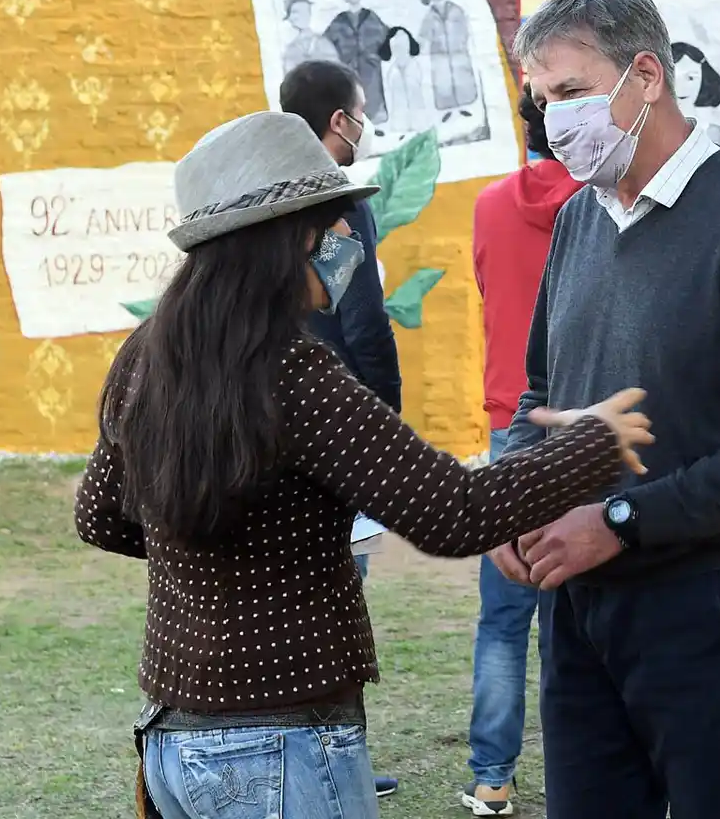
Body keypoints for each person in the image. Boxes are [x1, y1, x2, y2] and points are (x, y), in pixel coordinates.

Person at [75, 110, 654, 819]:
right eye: (336, 223)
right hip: (280, 749)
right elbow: (453, 512)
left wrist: (225, 549)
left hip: (173, 742)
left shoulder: (147, 355)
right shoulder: (294, 374)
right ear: (291, 240)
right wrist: (594, 442)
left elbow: (100, 515)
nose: (350, 239)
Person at [499, 0, 720, 819]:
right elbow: (541, 393)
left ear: (646, 74)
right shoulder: (578, 221)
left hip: (711, 600)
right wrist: (508, 496)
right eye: (541, 101)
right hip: (579, 604)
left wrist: (620, 522)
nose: (552, 121)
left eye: (571, 92)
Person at [279, 58, 402, 796]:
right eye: (359, 113)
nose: (363, 126)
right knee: (334, 603)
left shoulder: (262, 196)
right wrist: (384, 423)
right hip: (336, 422)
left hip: (266, 422)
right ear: (337, 122)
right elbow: (362, 320)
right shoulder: (337, 203)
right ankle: (335, 762)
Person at [463, 85, 582, 816]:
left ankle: (491, 778)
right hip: (587, 427)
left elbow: (488, 291)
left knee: (504, 619)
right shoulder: (603, 207)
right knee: (584, 615)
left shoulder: (488, 206)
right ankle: (587, 766)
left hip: (514, 424)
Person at [323, 0, 390, 128]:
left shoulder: (373, 18)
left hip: (373, 80)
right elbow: (324, 48)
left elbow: (388, 41)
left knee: (377, 118)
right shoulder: (338, 23)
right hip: (349, 80)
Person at [281, 0, 339, 74]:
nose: (303, 16)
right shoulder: (291, 50)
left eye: (305, 11)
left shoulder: (324, 43)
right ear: (290, 17)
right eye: (296, 12)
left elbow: (336, 70)